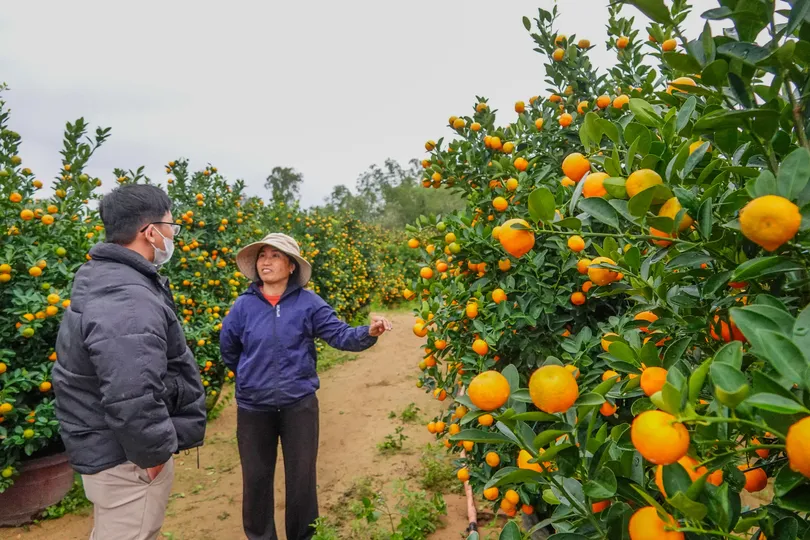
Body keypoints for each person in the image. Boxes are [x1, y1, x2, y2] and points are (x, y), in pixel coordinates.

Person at [52, 184, 207, 540]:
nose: (173, 236)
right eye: (171, 227)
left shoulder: (107, 278)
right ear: (150, 232)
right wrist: (151, 456)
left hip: (112, 449)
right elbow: (130, 391)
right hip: (126, 461)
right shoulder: (127, 298)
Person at [220, 232, 392, 540]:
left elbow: (340, 335)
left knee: (301, 479)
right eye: (262, 255)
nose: (266, 262)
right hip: (253, 408)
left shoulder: (308, 304)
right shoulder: (243, 306)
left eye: (275, 256)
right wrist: (250, 376)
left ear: (290, 267)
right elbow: (229, 349)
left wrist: (369, 331)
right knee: (256, 480)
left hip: (298, 405)